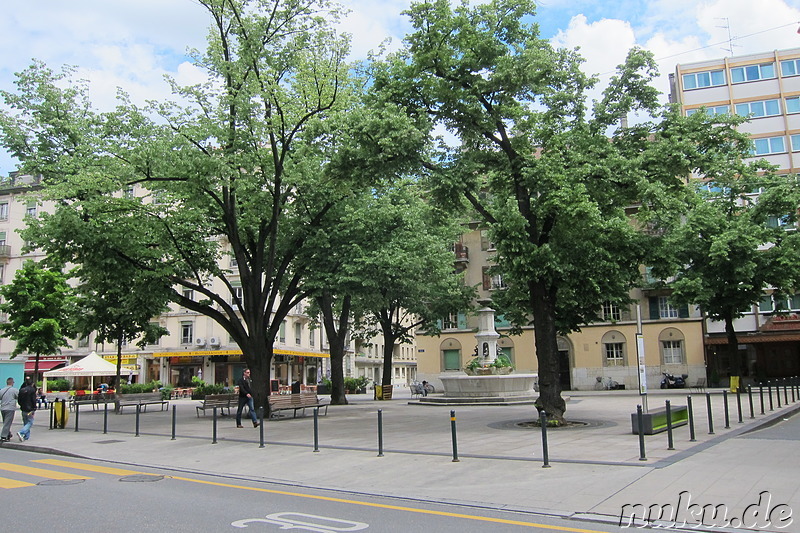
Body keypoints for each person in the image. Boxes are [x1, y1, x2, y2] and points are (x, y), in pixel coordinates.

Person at [0, 377, 18, 442]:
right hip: (10, 408)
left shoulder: (2, 390)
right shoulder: (14, 390)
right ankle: (3, 436)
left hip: (3, 408)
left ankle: (8, 434)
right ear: (12, 383)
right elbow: (18, 396)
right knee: (7, 423)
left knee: (6, 422)